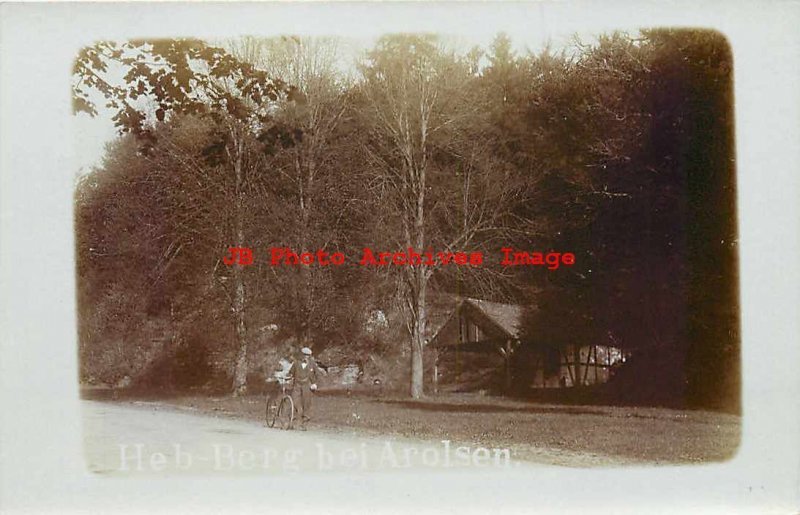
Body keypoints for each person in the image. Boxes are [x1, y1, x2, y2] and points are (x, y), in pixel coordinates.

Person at [288, 347, 321, 430]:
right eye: (305, 355)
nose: (306, 357)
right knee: (295, 402)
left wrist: (315, 384)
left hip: (307, 385)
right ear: (301, 355)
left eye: (308, 355)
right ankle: (293, 422)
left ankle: (303, 424)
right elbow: (290, 373)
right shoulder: (296, 363)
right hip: (297, 385)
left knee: (306, 404)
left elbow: (317, 374)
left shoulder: (312, 364)